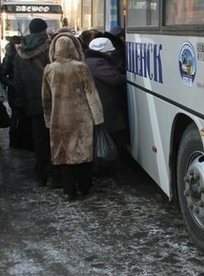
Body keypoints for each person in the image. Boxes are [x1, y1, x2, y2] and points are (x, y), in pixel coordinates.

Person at [42, 33, 104, 199]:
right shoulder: (81, 67)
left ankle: (69, 190)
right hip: (81, 118)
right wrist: (98, 118)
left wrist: (48, 119)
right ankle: (84, 187)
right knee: (82, 154)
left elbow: (46, 97)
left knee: (64, 156)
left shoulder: (49, 69)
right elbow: (91, 93)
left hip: (58, 119)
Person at [14, 18, 51, 186]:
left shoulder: (20, 51)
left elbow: (18, 80)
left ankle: (41, 174)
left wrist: (25, 103)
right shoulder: (50, 47)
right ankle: (55, 172)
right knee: (54, 137)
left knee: (39, 139)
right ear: (43, 30)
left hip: (33, 102)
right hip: (51, 100)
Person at [84, 37, 128, 170]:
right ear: (104, 52)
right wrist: (130, 77)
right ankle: (104, 164)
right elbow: (115, 79)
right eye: (109, 52)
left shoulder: (90, 60)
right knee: (108, 134)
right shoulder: (98, 63)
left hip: (103, 102)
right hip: (105, 103)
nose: (111, 54)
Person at [0, 35, 32, 150]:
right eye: (18, 44)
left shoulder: (23, 55)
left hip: (22, 90)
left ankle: (21, 141)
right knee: (15, 116)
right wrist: (13, 84)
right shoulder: (9, 57)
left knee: (22, 116)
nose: (20, 46)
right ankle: (14, 142)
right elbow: (2, 75)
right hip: (15, 91)